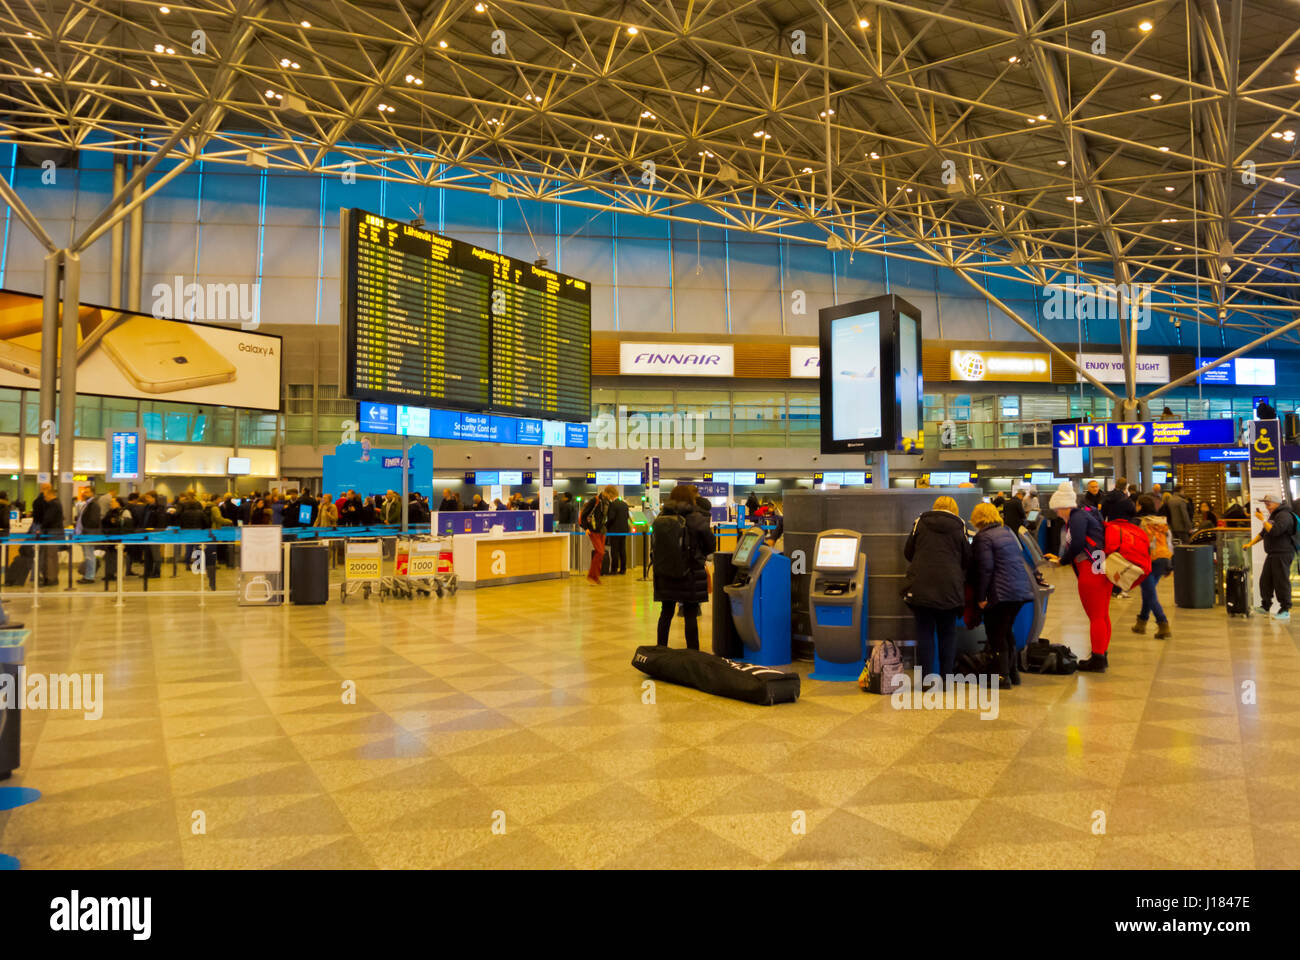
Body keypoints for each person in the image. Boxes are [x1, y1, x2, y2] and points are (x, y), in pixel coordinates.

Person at [1044, 481, 1112, 672]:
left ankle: (1098, 659)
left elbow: (1077, 544)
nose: (1057, 513)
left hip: (1090, 569)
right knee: (1102, 615)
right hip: (1100, 567)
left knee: (1096, 616)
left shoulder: (1077, 518)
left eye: (1057, 509)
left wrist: (1062, 561)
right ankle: (1101, 654)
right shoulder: (1087, 514)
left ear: (1065, 506)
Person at [901, 495, 970, 681]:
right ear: (954, 509)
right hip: (950, 588)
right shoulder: (960, 526)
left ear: (935, 506)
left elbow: (908, 553)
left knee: (925, 633)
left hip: (921, 587)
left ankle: (926, 680)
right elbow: (967, 558)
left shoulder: (920, 522)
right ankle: (947, 679)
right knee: (947, 633)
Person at [970, 502, 1034, 688]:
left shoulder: (983, 538)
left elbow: (985, 569)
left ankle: (1002, 677)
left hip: (1000, 593)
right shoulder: (1007, 532)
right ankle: (1013, 674)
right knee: (1006, 632)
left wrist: (981, 597)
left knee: (996, 634)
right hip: (1018, 591)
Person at [652, 484, 715, 649]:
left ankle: (661, 650)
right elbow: (710, 546)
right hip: (690, 574)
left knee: (665, 613)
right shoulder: (696, 518)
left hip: (664, 574)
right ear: (690, 498)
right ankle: (692, 653)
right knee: (690, 615)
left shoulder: (661, 517)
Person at [1247, 493, 1296, 621]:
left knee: (1281, 581)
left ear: (1276, 503)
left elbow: (1275, 531)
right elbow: (1264, 533)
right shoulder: (1273, 516)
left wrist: (1263, 520)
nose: (1266, 506)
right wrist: (1249, 544)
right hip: (1273, 553)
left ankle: (1285, 609)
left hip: (1283, 553)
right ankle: (1265, 606)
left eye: (1268, 504)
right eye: (1265, 504)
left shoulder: (1285, 515)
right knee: (1266, 580)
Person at [1133, 495, 1172, 638]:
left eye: (1137, 504)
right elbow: (1169, 541)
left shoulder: (1139, 522)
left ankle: (1163, 624)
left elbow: (1136, 543)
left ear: (1141, 506)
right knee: (1148, 592)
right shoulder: (1161, 521)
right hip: (1163, 559)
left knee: (1150, 594)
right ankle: (1141, 623)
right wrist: (1169, 562)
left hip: (1147, 560)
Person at [579, 486, 609, 584]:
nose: (612, 498)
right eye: (611, 495)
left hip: (602, 530)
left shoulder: (607, 502)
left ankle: (595, 576)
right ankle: (591, 576)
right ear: (606, 493)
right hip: (593, 529)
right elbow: (584, 515)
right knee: (600, 552)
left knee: (600, 553)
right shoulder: (595, 500)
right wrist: (586, 528)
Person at [74, 485, 102, 583]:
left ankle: (90, 576)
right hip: (84, 533)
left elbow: (93, 520)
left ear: (92, 493)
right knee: (87, 555)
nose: (84, 493)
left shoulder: (93, 505)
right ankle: (88, 575)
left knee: (89, 555)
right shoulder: (87, 504)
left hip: (88, 533)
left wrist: (85, 528)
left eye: (87, 492)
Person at [604, 487, 630, 575]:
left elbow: (611, 518)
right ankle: (623, 569)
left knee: (614, 550)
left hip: (614, 530)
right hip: (623, 530)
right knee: (622, 550)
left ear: (610, 493)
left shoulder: (613, 505)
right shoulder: (624, 504)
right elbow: (627, 516)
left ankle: (614, 569)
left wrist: (605, 525)